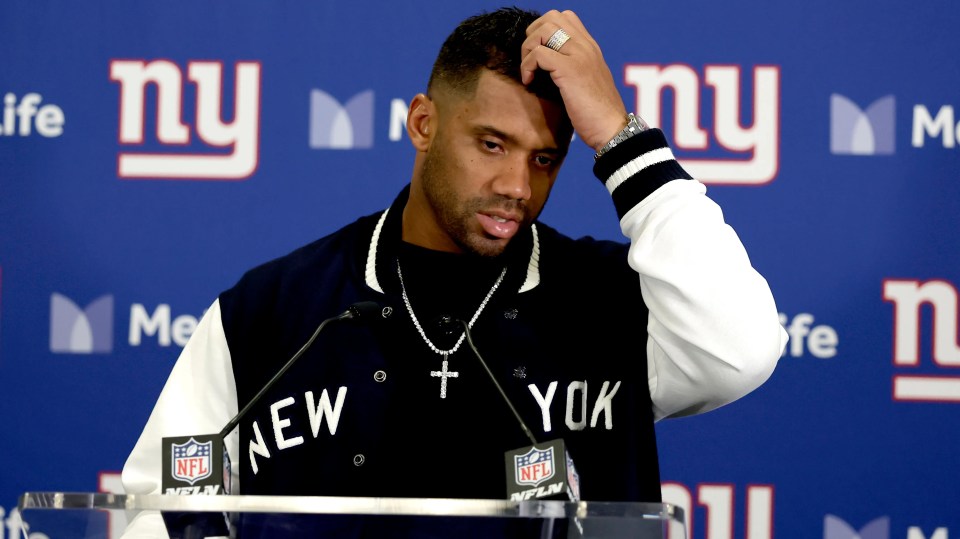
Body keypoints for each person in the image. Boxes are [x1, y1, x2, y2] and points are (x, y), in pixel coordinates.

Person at [120, 6, 787, 537]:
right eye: (491, 144)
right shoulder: (271, 311)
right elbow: (160, 510)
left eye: (544, 159)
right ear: (423, 123)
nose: (516, 185)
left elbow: (740, 351)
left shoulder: (613, 303)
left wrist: (619, 135)